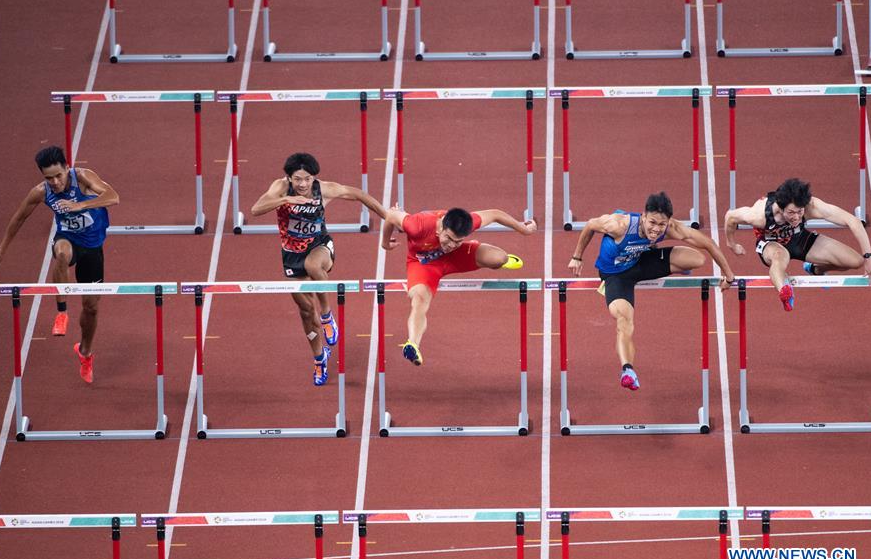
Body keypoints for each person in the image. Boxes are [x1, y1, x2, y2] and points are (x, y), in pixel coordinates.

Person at [567, 192, 735, 391]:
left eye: (661, 225)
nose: (656, 229)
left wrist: (729, 274)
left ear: (668, 222)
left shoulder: (671, 227)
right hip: (615, 275)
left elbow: (708, 244)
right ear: (643, 216)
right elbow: (589, 225)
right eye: (652, 223)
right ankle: (628, 370)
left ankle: (668, 263)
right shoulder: (619, 225)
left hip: (640, 261)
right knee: (624, 321)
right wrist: (577, 256)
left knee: (697, 259)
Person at [0, 146, 118, 384]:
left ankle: (85, 352)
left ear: (67, 168)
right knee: (62, 254)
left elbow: (113, 197)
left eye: (59, 175)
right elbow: (19, 217)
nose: (55, 182)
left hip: (93, 248)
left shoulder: (84, 178)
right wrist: (0, 251)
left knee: (91, 308)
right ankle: (61, 312)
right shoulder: (41, 192)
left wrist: (80, 205)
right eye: (49, 178)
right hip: (68, 239)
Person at [251, 152, 386, 386]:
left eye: (307, 179)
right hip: (291, 255)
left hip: (320, 246)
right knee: (304, 310)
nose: (303, 184)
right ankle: (319, 357)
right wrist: (286, 200)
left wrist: (389, 217)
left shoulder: (323, 189)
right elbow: (256, 209)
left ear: (314, 177)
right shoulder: (280, 188)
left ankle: (326, 315)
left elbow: (359, 194)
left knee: (312, 265)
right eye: (298, 179)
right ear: (289, 178)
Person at [381, 206, 537, 366]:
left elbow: (495, 214)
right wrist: (385, 243)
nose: (451, 244)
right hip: (423, 264)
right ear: (441, 227)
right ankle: (413, 344)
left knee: (499, 258)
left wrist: (523, 229)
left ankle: (499, 260)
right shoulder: (418, 225)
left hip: (455, 257)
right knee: (419, 300)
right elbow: (392, 215)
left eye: (458, 241)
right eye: (448, 238)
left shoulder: (465, 224)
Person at [724, 178, 871, 311]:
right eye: (791, 213)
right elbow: (730, 217)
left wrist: (868, 256)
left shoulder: (810, 206)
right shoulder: (759, 215)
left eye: (800, 212)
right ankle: (784, 291)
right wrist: (731, 244)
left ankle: (815, 269)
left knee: (855, 261)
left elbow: (852, 220)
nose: (797, 217)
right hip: (771, 244)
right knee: (780, 257)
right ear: (780, 207)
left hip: (799, 239)